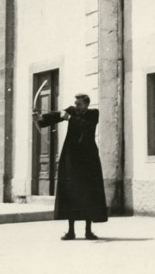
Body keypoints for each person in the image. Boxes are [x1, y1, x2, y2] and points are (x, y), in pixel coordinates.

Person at [33, 93, 108, 240]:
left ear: (86, 104)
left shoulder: (94, 113)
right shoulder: (72, 111)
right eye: (75, 103)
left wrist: (71, 119)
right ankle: (71, 231)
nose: (76, 106)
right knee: (70, 192)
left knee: (88, 193)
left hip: (88, 158)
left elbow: (88, 126)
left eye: (79, 104)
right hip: (71, 156)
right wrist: (40, 118)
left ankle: (88, 231)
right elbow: (57, 115)